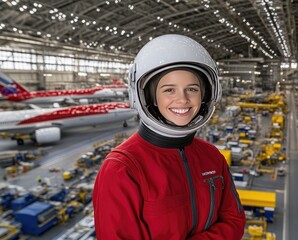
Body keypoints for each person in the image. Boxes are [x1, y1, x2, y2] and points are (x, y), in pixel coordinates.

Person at [93, 34, 246, 239]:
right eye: (169, 90)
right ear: (149, 97)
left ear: (208, 95)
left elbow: (234, 221)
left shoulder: (212, 155)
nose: (182, 99)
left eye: (192, 89)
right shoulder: (122, 168)